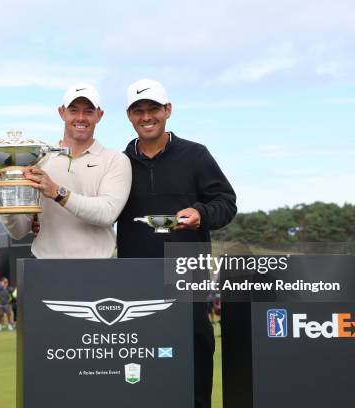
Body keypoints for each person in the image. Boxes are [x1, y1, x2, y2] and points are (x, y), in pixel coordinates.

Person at [116, 79, 237, 408]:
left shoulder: (195, 155)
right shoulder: (119, 163)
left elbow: (226, 203)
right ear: (129, 116)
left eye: (153, 109)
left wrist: (201, 213)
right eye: (138, 111)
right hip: (136, 276)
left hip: (187, 270)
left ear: (168, 110)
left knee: (196, 349)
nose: (146, 117)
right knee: (141, 359)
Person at [0, 83, 132, 258]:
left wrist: (57, 192)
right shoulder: (38, 161)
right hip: (45, 269)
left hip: (98, 270)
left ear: (99, 115)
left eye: (88, 111)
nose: (81, 118)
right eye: (73, 110)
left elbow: (106, 213)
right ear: (61, 112)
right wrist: (6, 192)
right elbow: (19, 231)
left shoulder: (115, 160)